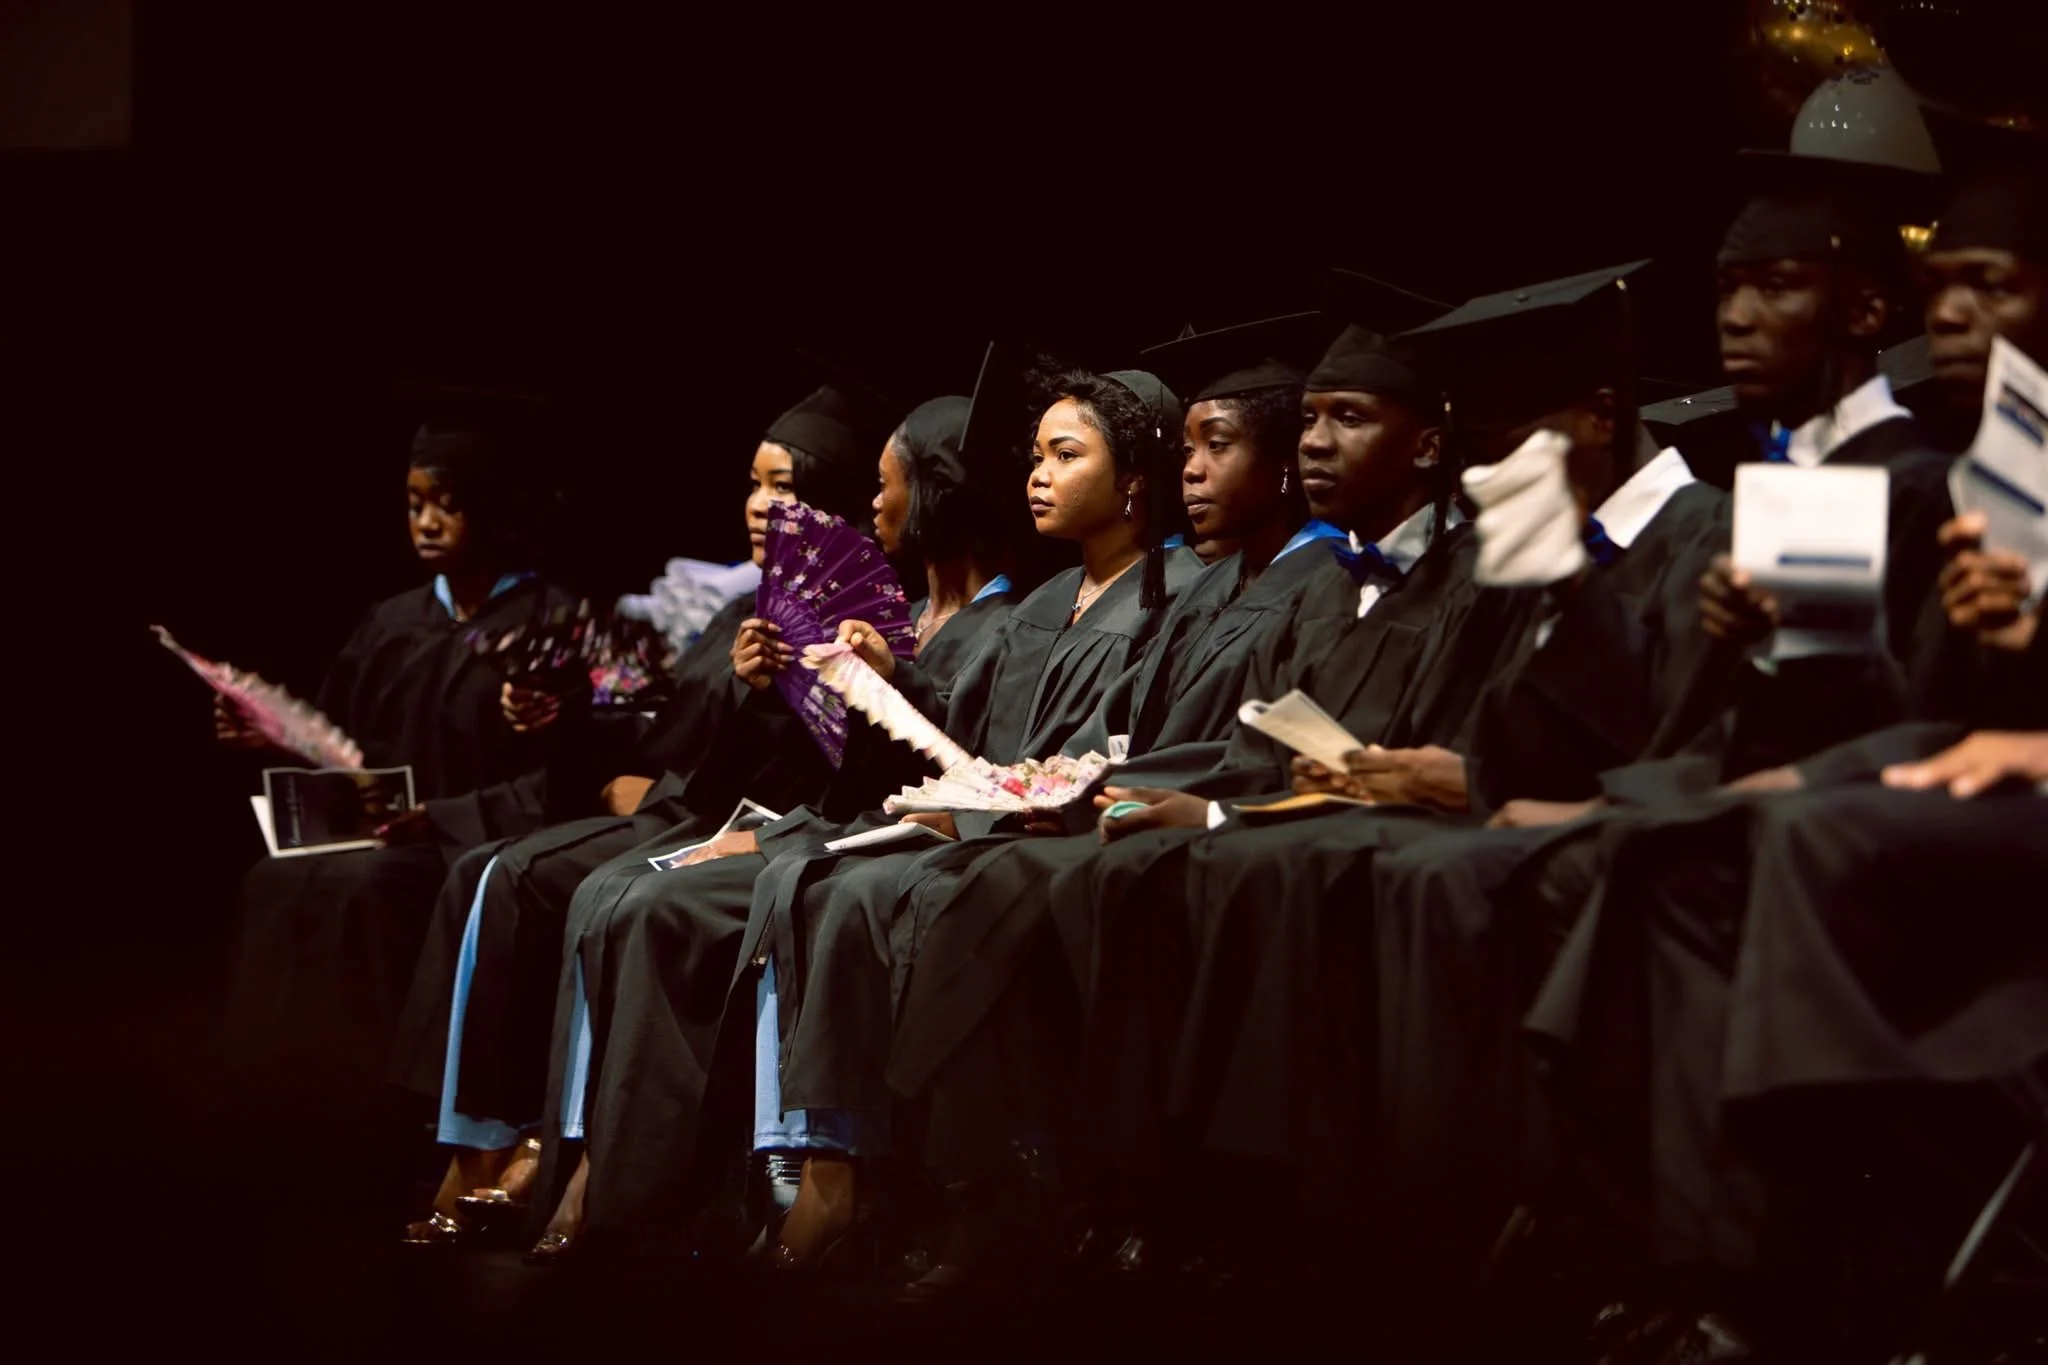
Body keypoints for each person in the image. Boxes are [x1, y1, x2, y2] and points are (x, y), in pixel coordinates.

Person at [527, 364, 1197, 1267]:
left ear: (1135, 479)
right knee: (719, 883)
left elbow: (1098, 747)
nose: (1036, 475)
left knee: (826, 887)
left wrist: (958, 769)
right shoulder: (1047, 603)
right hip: (962, 816)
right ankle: (739, 1167)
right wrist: (865, 685)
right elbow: (962, 744)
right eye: (1035, 456)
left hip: (1052, 833)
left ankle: (885, 1185)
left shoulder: (1171, 598)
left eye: (1063, 455)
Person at [389, 388, 991, 1244]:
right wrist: (603, 722)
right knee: (513, 875)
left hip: (789, 823)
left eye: (781, 487)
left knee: (601, 891)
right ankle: (504, 1145)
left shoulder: (878, 616)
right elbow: (663, 714)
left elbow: (844, 769)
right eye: (752, 483)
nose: (758, 505)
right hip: (698, 806)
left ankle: (601, 1168)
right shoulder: (745, 610)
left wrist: (772, 719)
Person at [220, 410, 579, 1188]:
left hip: (467, 845)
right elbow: (343, 742)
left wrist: (438, 821)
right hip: (386, 836)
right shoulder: (392, 621)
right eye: (414, 503)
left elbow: (571, 773)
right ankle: (272, 1112)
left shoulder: (554, 620)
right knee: (274, 879)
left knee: (367, 890)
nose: (426, 522)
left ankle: (372, 1125)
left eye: (447, 503)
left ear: (491, 509)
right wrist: (273, 735)